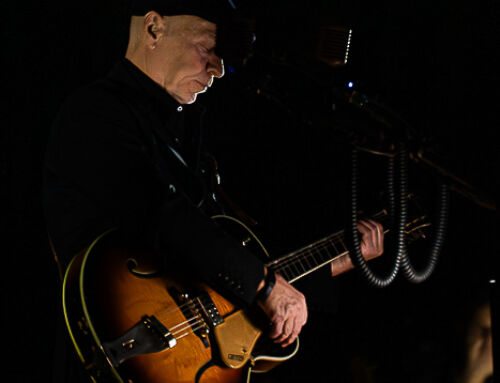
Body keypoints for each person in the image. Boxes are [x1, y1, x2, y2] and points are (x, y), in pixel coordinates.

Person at [43, 1, 384, 381]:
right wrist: (264, 284)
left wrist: (335, 260)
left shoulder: (185, 134)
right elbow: (159, 214)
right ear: (154, 29)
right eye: (208, 48)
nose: (219, 69)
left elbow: (222, 261)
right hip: (116, 349)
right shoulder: (95, 111)